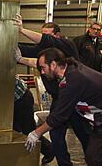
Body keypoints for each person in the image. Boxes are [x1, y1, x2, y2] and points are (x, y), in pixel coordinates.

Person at [24, 48, 102, 166]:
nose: (43, 72)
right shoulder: (70, 70)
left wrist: (36, 133)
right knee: (94, 158)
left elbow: (59, 116)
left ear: (54, 64)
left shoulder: (74, 79)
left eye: (43, 68)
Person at [13, 15, 89, 166]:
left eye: (47, 35)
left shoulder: (67, 46)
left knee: (85, 136)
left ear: (57, 36)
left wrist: (22, 30)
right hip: (59, 99)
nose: (43, 39)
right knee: (56, 134)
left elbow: (46, 42)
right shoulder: (45, 52)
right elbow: (29, 52)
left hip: (76, 99)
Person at [13, 75, 55, 164]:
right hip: (11, 101)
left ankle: (49, 150)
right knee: (13, 130)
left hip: (22, 98)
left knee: (29, 131)